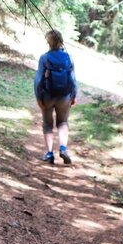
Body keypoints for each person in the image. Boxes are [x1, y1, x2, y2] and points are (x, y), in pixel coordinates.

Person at [34, 29, 78, 165]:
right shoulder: (69, 58)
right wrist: (73, 95)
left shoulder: (44, 58)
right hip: (64, 96)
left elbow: (38, 80)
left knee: (47, 125)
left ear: (49, 42)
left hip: (47, 96)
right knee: (63, 123)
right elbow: (73, 79)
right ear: (61, 42)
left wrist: (39, 97)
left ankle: (49, 154)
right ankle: (63, 149)